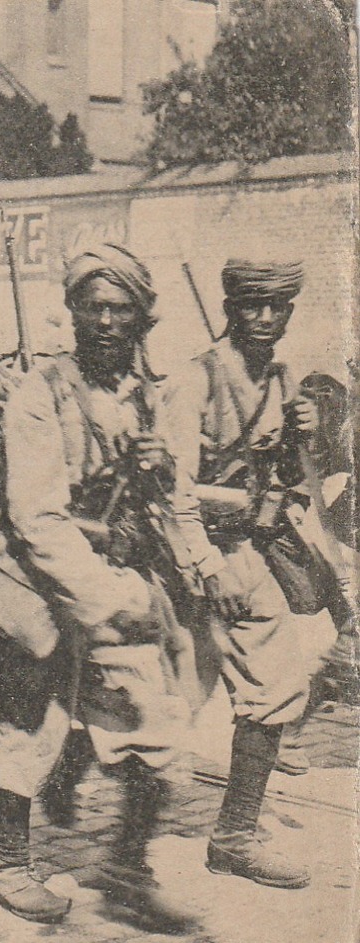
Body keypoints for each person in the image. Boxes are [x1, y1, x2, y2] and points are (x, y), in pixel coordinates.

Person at [0, 244, 195, 931]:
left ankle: (125, 867)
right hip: (37, 580)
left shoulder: (154, 393)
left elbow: (169, 501)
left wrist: (159, 469)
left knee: (151, 720)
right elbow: (37, 517)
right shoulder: (41, 393)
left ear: (140, 318)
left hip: (115, 578)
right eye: (90, 306)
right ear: (70, 314)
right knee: (23, 718)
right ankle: (9, 866)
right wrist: (104, 596)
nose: (104, 321)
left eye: (119, 308)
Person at [166, 259, 317, 888]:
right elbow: (169, 494)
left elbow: (290, 484)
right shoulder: (194, 381)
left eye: (276, 307)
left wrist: (304, 437)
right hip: (184, 553)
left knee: (277, 682)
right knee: (139, 698)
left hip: (245, 552)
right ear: (230, 306)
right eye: (252, 305)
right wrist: (206, 567)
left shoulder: (280, 379)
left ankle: (233, 837)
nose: (264, 318)